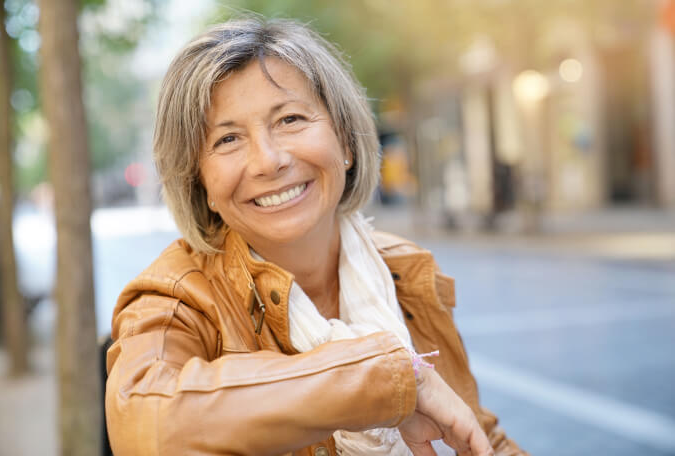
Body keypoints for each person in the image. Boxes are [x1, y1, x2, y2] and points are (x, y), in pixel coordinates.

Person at [105, 16, 528, 456]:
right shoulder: (176, 300)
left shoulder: (406, 270)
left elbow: (478, 437)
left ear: (345, 141)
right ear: (202, 184)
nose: (268, 161)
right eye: (228, 139)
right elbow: (144, 426)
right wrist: (394, 379)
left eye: (289, 119)